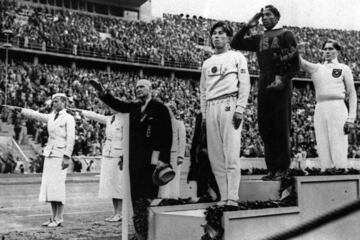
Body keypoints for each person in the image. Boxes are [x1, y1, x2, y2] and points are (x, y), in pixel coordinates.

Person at [89, 78, 172, 240]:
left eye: (141, 87)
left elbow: (167, 135)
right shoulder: (134, 107)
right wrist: (102, 92)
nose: (138, 90)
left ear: (150, 89)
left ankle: (151, 231)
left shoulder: (160, 108)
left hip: (152, 161)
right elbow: (118, 104)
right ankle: (140, 231)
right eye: (136, 87)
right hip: (134, 160)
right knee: (135, 197)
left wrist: (164, 159)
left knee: (149, 196)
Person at [230, 5, 300, 181]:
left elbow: (294, 62)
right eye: (262, 16)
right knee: (265, 126)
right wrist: (248, 25)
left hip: (280, 80)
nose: (264, 19)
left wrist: (283, 79)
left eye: (268, 15)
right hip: (263, 80)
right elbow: (235, 43)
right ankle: (272, 168)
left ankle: (282, 168)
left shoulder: (286, 34)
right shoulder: (260, 37)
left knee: (281, 125)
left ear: (277, 17)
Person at [4, 93, 75, 227]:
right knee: (50, 186)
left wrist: (67, 156)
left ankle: (59, 217)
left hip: (60, 155)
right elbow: (35, 114)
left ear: (64, 103)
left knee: (58, 186)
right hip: (50, 153)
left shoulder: (69, 118)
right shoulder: (51, 116)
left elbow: (71, 139)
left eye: (57, 101)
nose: (54, 104)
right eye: (53, 101)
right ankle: (53, 216)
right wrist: (19, 109)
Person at [200, 21, 251, 205]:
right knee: (216, 157)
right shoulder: (207, 63)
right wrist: (204, 115)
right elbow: (203, 91)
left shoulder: (237, 57)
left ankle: (233, 197)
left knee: (231, 153)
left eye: (221, 33)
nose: (217, 36)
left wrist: (240, 109)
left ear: (229, 37)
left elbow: (245, 83)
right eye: (214, 33)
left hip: (230, 103)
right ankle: (223, 196)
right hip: (212, 106)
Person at [299, 39, 357, 170]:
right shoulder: (317, 68)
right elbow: (302, 63)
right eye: (325, 49)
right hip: (320, 107)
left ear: (338, 51)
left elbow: (352, 93)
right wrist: (295, 50)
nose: (327, 51)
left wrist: (351, 118)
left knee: (338, 142)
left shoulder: (344, 69)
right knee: (322, 142)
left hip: (337, 106)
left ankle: (341, 171)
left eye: (331, 49)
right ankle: (325, 171)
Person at [73, 108, 125, 222]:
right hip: (108, 153)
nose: (111, 108)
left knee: (118, 184)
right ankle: (115, 212)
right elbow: (96, 116)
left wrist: (123, 155)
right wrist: (82, 112)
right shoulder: (110, 118)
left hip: (119, 154)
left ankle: (120, 212)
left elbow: (127, 139)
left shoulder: (125, 119)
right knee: (111, 184)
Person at [158, 103, 186, 199]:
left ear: (172, 111)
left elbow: (182, 141)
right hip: (163, 155)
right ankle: (163, 197)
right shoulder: (161, 124)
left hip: (174, 155)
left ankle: (173, 197)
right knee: (162, 176)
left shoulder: (179, 124)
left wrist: (180, 156)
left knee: (174, 176)